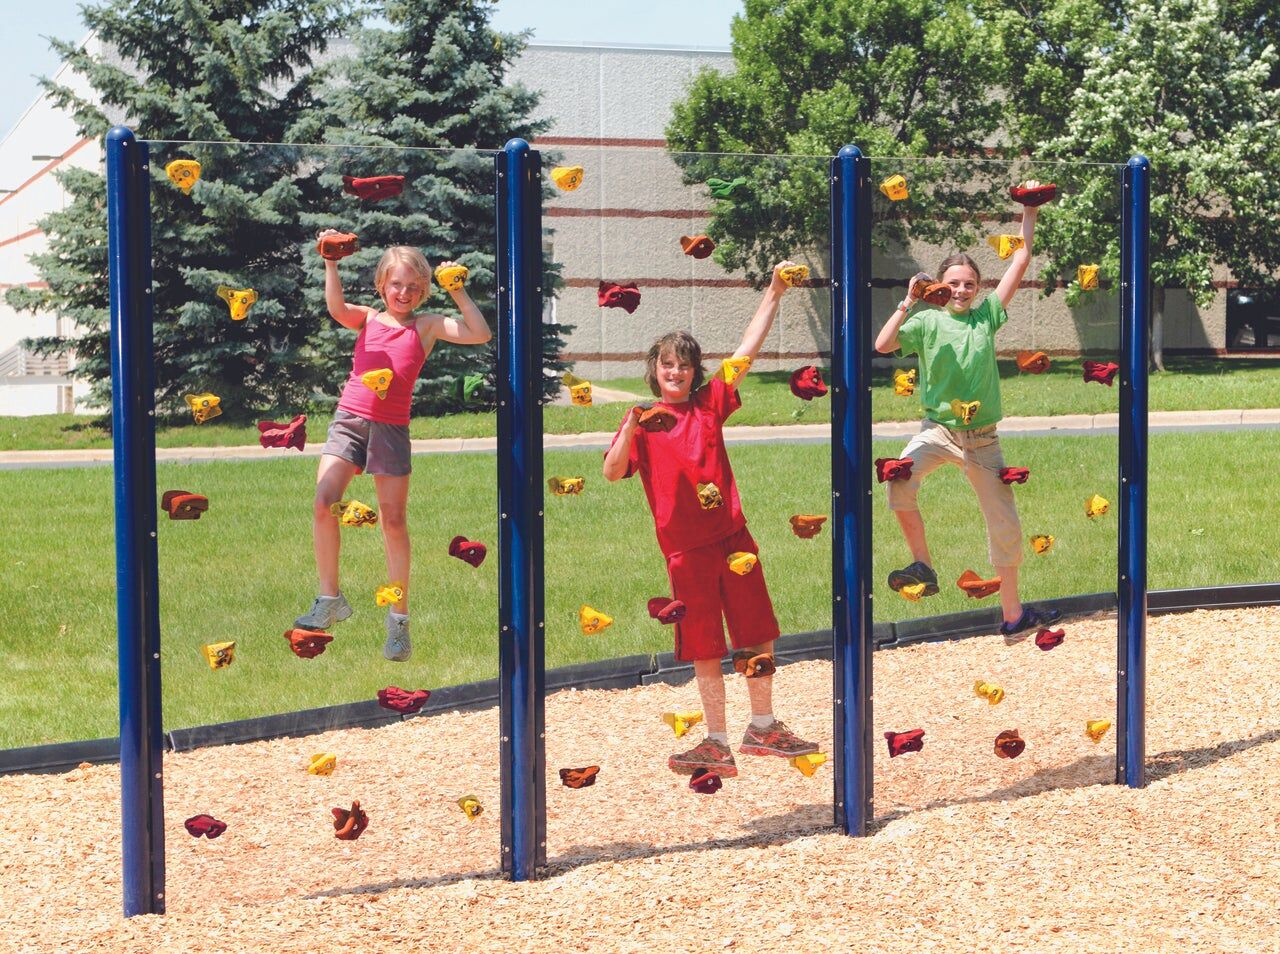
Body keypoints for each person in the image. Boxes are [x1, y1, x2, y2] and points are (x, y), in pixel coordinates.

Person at [603, 261, 818, 779]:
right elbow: (612, 472)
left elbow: (745, 350)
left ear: (696, 373)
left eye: (683, 366)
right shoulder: (644, 422)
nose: (674, 373)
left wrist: (774, 291)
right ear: (653, 370)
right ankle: (716, 740)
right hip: (686, 552)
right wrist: (632, 428)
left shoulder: (709, 405)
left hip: (733, 539)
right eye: (666, 366)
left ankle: (763, 726)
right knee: (703, 643)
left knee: (757, 630)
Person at [874, 182, 1060, 643]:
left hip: (982, 439)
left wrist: (1027, 211)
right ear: (941, 285)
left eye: (969, 284)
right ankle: (924, 565)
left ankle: (1013, 616)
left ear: (978, 290)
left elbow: (1019, 259)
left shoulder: (986, 317)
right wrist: (908, 300)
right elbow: (882, 344)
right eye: (954, 282)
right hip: (938, 431)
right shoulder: (925, 320)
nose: (961, 289)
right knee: (899, 479)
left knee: (1004, 522)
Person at [295, 235, 492, 661]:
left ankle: (399, 622)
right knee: (324, 502)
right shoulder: (367, 319)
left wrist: (456, 289)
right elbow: (336, 308)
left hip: (391, 431)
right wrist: (330, 263)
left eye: (414, 288)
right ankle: (330, 599)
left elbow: (479, 333)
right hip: (349, 420)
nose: (404, 294)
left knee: (393, 522)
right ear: (382, 285)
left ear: (424, 290)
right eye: (396, 285)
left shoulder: (426, 326)